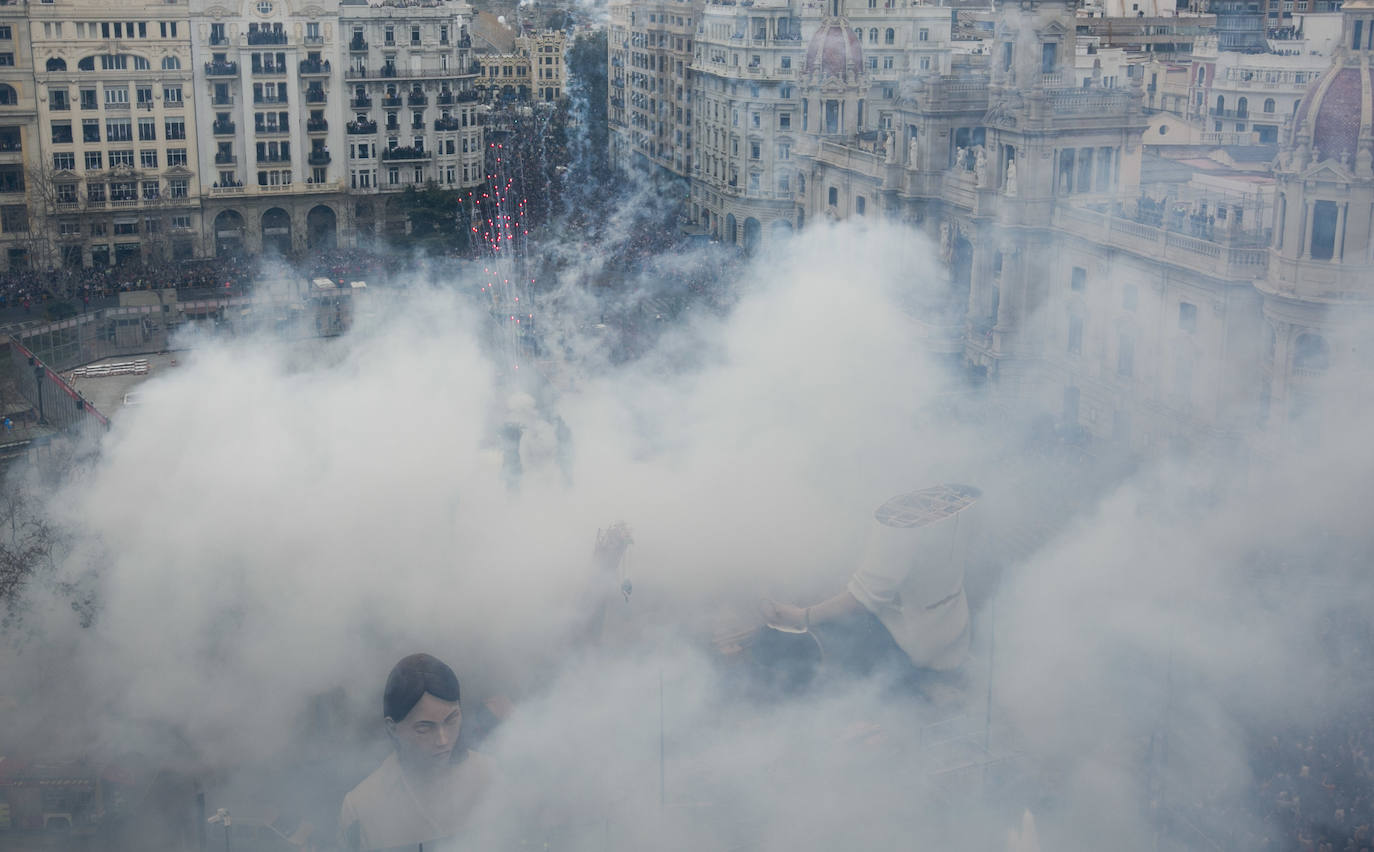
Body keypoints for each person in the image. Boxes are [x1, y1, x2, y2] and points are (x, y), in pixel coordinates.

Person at [758, 485, 980, 685]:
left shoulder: (897, 520)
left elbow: (869, 592)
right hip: (953, 633)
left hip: (910, 645)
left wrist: (803, 618)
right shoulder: (954, 503)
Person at [339, 653, 495, 851]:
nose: (443, 740)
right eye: (424, 728)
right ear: (392, 728)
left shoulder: (492, 777)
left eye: (451, 720)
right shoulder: (362, 807)